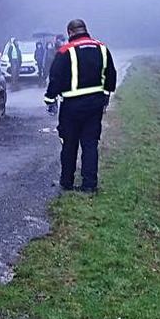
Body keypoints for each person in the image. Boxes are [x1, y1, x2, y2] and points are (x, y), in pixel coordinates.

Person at [44, 19, 118, 193]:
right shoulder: (101, 48)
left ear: (70, 32)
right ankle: (89, 184)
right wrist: (106, 95)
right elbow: (111, 75)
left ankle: (67, 182)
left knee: (69, 144)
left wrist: (50, 99)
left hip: (71, 106)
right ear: (85, 30)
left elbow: (55, 77)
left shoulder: (64, 51)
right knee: (90, 143)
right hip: (95, 105)